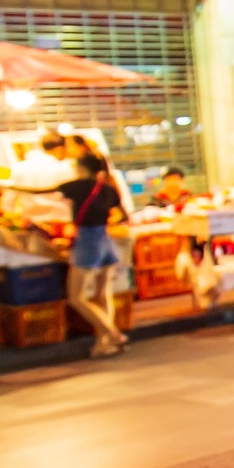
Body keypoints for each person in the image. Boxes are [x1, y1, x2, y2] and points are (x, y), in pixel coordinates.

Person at [60, 149, 129, 358]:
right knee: (102, 293)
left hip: (88, 241)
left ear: (82, 168)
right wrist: (102, 219)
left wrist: (5, 186)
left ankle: (112, 333)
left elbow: (40, 191)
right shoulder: (107, 188)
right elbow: (122, 215)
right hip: (105, 239)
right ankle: (102, 343)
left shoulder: (78, 186)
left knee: (76, 297)